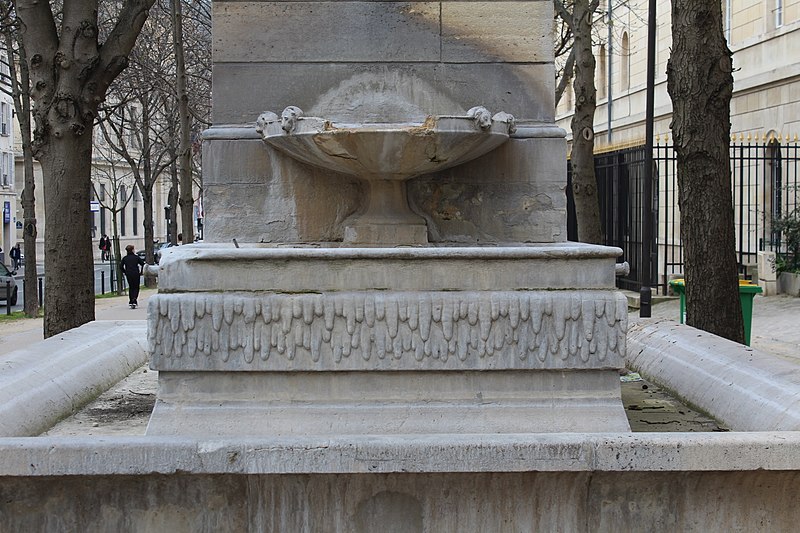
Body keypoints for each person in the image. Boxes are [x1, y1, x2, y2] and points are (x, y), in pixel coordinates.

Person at [120, 244, 145, 308]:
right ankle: (134, 299)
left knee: (131, 287)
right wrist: (141, 271)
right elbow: (143, 264)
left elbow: (121, 266)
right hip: (136, 273)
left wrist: (125, 272)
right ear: (132, 250)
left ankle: (131, 300)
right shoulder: (136, 257)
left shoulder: (125, 258)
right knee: (136, 287)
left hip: (129, 274)